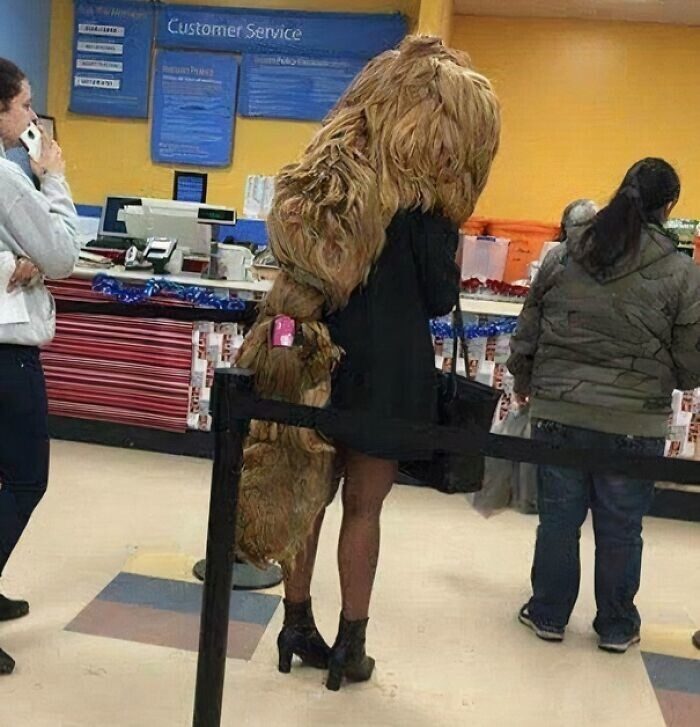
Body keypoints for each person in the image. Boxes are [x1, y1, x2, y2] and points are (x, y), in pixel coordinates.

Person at [235, 36, 500, 690]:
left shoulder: (330, 179)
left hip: (314, 355)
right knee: (364, 508)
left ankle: (296, 625)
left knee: (310, 492)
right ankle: (350, 646)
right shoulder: (428, 209)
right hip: (391, 372)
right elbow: (438, 298)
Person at [508, 158, 700, 654]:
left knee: (558, 521)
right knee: (621, 529)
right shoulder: (682, 272)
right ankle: (615, 625)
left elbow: (528, 329)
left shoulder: (564, 255)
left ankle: (549, 613)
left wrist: (525, 380)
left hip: (560, 413)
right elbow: (691, 364)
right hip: (635, 421)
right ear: (668, 206)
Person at [0, 57, 80, 675]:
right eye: (25, 105)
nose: (32, 117)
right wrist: (53, 179)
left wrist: (12, 259)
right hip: (8, 353)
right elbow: (62, 254)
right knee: (27, 479)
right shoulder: (9, 177)